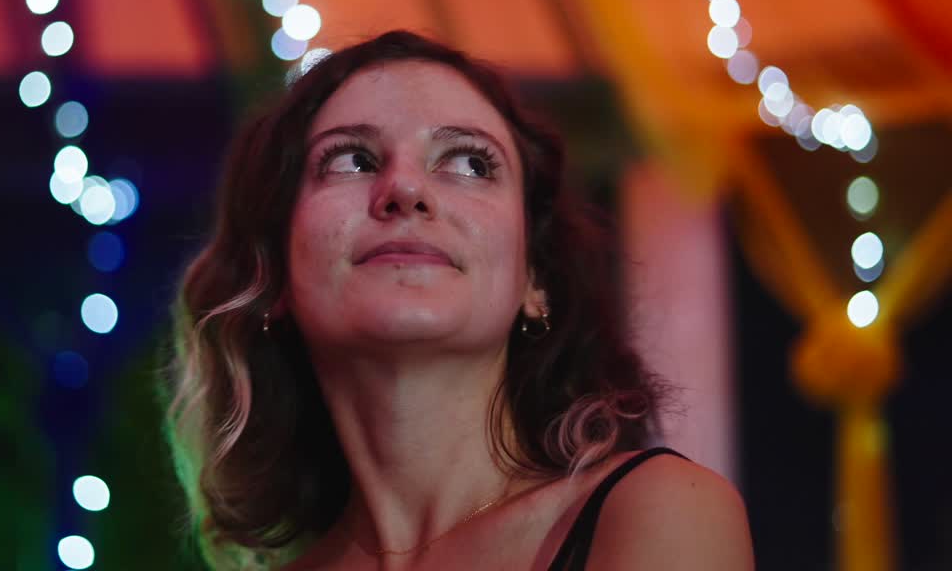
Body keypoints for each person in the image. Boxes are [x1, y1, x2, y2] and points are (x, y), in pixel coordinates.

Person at [163, 30, 754, 570]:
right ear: (274, 280)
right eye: (351, 160)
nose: (406, 188)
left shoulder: (655, 513)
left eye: (471, 163)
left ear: (534, 279)